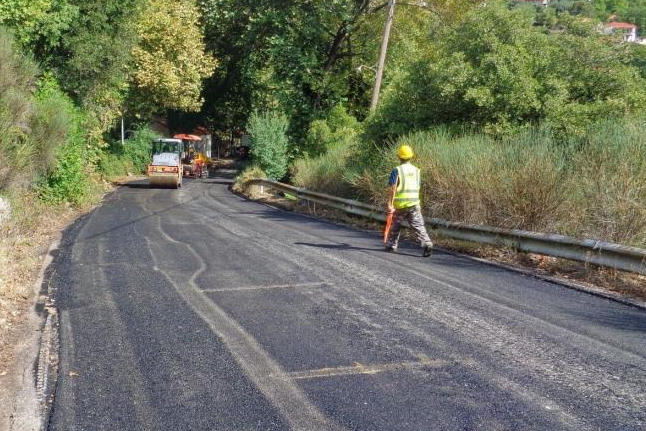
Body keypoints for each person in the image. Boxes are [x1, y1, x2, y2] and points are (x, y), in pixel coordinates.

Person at [385, 145, 433, 257]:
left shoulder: (397, 170)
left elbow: (393, 187)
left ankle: (392, 244)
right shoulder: (416, 170)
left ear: (399, 157)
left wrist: (389, 203)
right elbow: (418, 186)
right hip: (414, 204)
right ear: (411, 157)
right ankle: (427, 243)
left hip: (400, 205)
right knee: (419, 226)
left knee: (395, 225)